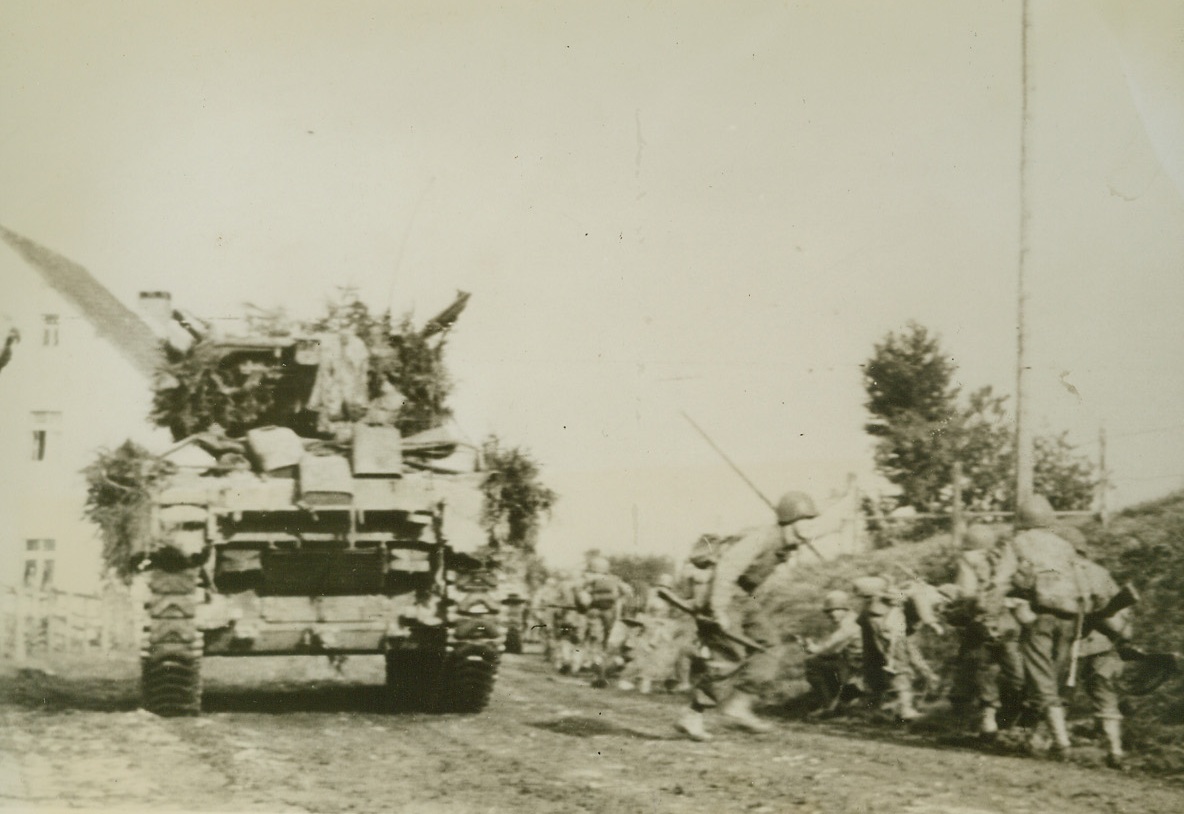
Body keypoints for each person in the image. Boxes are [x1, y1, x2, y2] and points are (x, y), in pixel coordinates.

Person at [675, 491, 819, 742]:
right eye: (805, 520)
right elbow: (728, 568)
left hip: (742, 599)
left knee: (770, 646)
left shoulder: (786, 545)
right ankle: (693, 715)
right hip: (721, 594)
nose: (811, 526)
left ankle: (739, 704)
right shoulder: (762, 537)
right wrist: (718, 608)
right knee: (729, 655)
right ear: (790, 520)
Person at [1001, 494, 1088, 757]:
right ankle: (1039, 739)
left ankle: (1061, 743)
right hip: (1070, 618)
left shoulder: (1017, 543)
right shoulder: (1064, 546)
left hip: (1038, 617)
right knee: (1055, 678)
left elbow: (1001, 579)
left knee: (1041, 679)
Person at [944, 523, 1028, 737]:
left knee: (980, 672)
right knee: (1015, 674)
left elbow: (967, 594)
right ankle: (1017, 723)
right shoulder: (1006, 559)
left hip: (980, 625)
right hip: (1009, 625)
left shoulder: (968, 561)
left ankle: (983, 723)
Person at [853, 575, 920, 722]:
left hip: (877, 634)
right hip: (888, 631)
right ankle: (905, 709)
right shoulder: (885, 601)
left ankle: (873, 710)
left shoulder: (867, 609)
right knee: (897, 665)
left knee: (875, 668)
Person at [802, 589, 864, 717]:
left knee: (812, 663)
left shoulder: (849, 624)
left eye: (837, 609)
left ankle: (828, 707)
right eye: (829, 611)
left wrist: (812, 648)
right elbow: (832, 645)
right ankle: (839, 702)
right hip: (857, 661)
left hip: (858, 664)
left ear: (845, 609)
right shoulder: (851, 619)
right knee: (824, 662)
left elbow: (830, 648)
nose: (832, 614)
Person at [579, 556, 632, 688]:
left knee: (595, 643)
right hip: (610, 613)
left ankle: (598, 675)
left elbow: (583, 599)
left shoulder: (588, 579)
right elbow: (627, 593)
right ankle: (604, 673)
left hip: (594, 612)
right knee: (606, 645)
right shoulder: (614, 579)